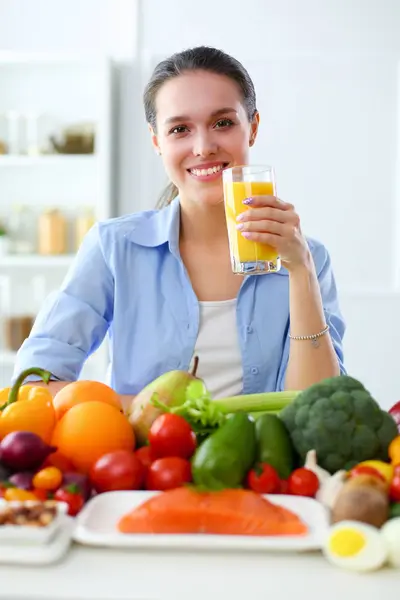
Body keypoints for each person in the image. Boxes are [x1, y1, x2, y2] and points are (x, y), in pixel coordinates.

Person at [12, 46, 346, 411]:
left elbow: (318, 410)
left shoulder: (308, 258)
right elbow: (33, 386)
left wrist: (300, 270)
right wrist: (154, 412)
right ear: (157, 141)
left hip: (265, 467)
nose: (203, 147)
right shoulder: (114, 248)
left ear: (252, 127)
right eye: (180, 129)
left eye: (223, 123)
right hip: (148, 465)